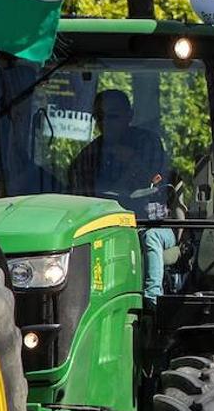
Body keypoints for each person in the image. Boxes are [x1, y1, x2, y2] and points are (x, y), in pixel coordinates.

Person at [69, 89, 175, 301]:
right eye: (100, 117)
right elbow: (77, 199)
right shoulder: (87, 157)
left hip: (150, 224)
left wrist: (131, 162)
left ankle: (152, 300)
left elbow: (157, 180)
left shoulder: (149, 144)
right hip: (104, 229)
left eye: (113, 116)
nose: (106, 123)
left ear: (130, 115)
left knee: (151, 238)